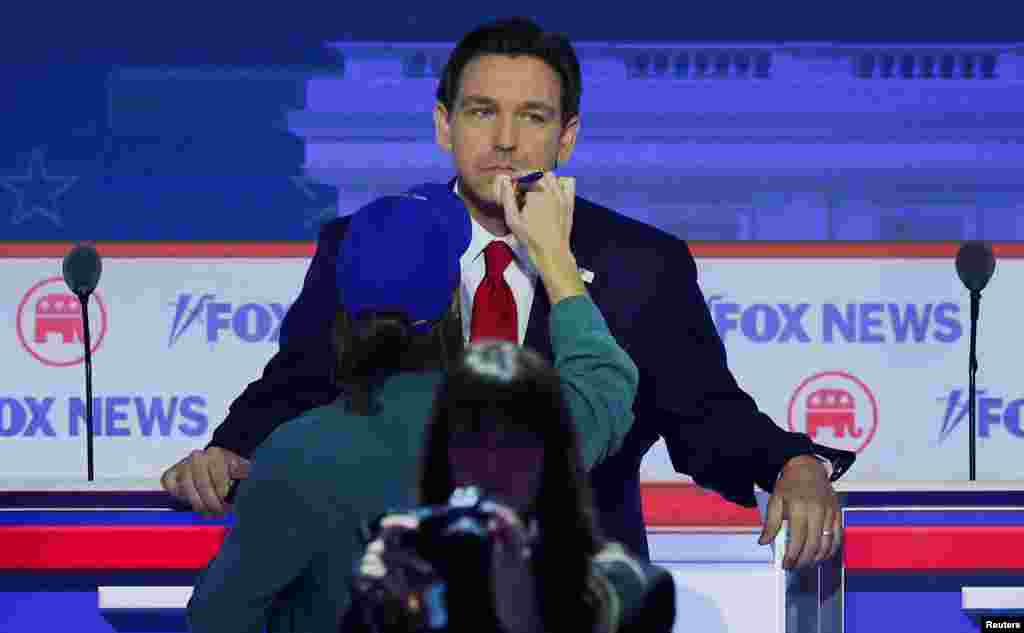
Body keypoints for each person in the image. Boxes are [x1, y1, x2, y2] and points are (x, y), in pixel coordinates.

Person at [164, 16, 855, 566]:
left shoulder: (643, 264)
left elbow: (708, 416)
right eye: (481, 112)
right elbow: (296, 389)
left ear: (567, 138)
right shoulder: (366, 245)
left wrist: (792, 462)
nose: (504, 140)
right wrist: (230, 451)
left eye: (533, 117)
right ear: (444, 124)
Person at [186, 169, 640, 632]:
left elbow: (215, 621)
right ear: (453, 305)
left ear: (341, 312)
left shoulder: (297, 453)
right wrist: (556, 259)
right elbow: (606, 384)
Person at [344, 340, 675, 633]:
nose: (492, 463)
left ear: (553, 455)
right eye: (472, 440)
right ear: (442, 453)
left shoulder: (629, 591)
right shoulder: (407, 572)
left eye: (515, 443)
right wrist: (384, 616)